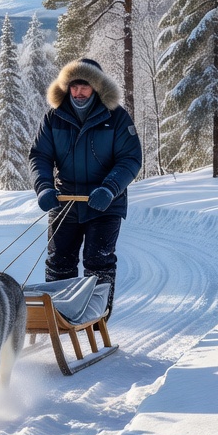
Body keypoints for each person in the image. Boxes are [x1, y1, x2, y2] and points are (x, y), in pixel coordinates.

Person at [29, 58, 142, 319]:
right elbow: (40, 156)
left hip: (104, 203)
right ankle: (59, 319)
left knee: (98, 263)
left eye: (85, 87)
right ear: (65, 87)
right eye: (73, 87)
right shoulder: (54, 117)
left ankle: (94, 320)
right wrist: (44, 187)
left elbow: (130, 159)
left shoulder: (116, 117)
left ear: (97, 88)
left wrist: (110, 188)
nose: (78, 93)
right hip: (64, 200)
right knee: (59, 263)